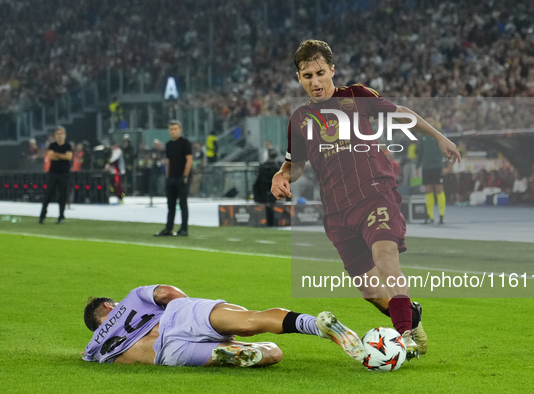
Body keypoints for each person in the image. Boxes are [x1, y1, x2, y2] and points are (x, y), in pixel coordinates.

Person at [270, 40, 461, 360]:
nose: (315, 82)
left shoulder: (356, 96)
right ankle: (410, 315)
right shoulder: (299, 119)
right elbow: (296, 165)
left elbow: (402, 115)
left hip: (375, 195)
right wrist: (281, 176)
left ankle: (404, 339)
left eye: (320, 73)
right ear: (299, 78)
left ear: (332, 70)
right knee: (372, 292)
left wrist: (439, 137)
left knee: (386, 256)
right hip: (336, 212)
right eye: (306, 76)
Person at [82, 284, 363, 367]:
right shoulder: (130, 299)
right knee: (251, 319)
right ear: (108, 306)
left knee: (272, 353)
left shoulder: (94, 346)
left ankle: (232, 352)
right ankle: (314, 325)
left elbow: (106, 359)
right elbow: (166, 293)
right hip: (175, 317)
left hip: (159, 353)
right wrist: (192, 308)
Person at [155, 121, 193, 237]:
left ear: (180, 130)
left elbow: (189, 160)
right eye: (171, 129)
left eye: (175, 129)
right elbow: (169, 161)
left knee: (182, 204)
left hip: (181, 178)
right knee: (170, 205)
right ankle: (168, 228)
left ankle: (184, 229)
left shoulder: (185, 143)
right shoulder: (169, 145)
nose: (173, 131)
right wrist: (168, 175)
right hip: (171, 178)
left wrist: (185, 176)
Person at [416, 116, 447, 225]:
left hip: (437, 166)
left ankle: (442, 216)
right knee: (428, 190)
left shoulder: (439, 134)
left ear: (434, 123)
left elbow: (445, 150)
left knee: (439, 190)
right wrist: (417, 166)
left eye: (430, 121)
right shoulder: (423, 135)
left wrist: (445, 165)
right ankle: (430, 216)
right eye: (427, 121)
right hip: (426, 167)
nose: (429, 123)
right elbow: (420, 152)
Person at [39, 126, 72, 224]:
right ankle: (42, 216)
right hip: (53, 173)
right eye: (58, 134)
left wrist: (57, 155)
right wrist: (62, 156)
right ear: (55, 136)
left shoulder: (68, 146)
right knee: (48, 195)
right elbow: (50, 157)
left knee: (62, 196)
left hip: (64, 174)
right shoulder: (52, 145)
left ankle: (61, 217)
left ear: (65, 135)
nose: (60, 136)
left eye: (61, 133)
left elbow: (68, 157)